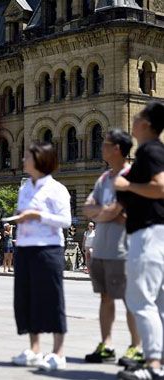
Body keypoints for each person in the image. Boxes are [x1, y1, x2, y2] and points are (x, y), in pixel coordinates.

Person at [82, 129, 143, 366]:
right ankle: (106, 345)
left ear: (117, 149)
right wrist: (108, 212)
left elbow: (135, 215)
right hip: (102, 249)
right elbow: (88, 208)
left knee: (131, 300)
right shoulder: (104, 178)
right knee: (105, 298)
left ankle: (136, 347)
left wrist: (105, 213)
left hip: (125, 250)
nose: (101, 147)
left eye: (105, 144)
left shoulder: (133, 177)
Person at [11, 142, 71, 372]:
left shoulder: (56, 189)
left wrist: (39, 215)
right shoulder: (25, 187)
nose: (23, 160)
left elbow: (65, 220)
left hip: (48, 248)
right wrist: (20, 216)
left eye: (27, 157)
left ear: (40, 161)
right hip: (25, 247)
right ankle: (34, 349)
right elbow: (22, 212)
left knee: (52, 298)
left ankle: (58, 352)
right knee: (26, 298)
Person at [115, 102, 164, 380]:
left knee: (141, 300)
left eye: (136, 118)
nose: (132, 122)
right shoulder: (155, 151)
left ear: (145, 125)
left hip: (148, 235)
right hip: (155, 233)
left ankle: (153, 365)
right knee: (158, 303)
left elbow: (160, 186)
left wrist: (127, 186)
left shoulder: (150, 150)